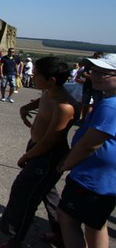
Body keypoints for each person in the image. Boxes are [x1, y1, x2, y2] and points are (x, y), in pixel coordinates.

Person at [0, 57, 78, 248]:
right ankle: (61, 234)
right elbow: (43, 101)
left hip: (46, 155)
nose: (32, 78)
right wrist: (26, 107)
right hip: (36, 148)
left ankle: (15, 240)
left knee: (23, 194)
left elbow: (50, 141)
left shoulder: (65, 106)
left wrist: (27, 156)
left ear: (51, 80)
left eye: (36, 75)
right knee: (48, 193)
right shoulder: (49, 91)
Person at [57, 53, 116, 248]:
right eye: (94, 71)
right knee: (95, 223)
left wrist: (67, 163)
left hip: (93, 176)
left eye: (103, 73)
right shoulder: (108, 101)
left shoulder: (110, 106)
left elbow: (90, 144)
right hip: (106, 177)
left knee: (67, 217)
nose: (95, 76)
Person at [80, 52, 105, 121]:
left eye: (99, 57)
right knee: (85, 103)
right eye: (96, 57)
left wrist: (90, 76)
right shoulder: (89, 65)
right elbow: (84, 74)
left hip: (97, 87)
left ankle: (93, 119)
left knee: (97, 103)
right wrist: (94, 77)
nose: (97, 58)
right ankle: (83, 118)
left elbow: (101, 77)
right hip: (88, 86)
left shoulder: (102, 66)